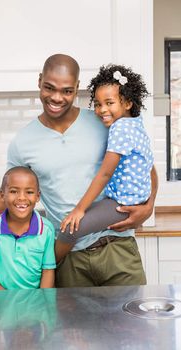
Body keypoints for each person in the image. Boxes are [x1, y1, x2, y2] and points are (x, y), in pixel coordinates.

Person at [0, 53, 158, 287]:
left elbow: (146, 168)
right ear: (40, 81)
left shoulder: (105, 122)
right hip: (68, 260)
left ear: (77, 88)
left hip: (118, 249)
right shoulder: (23, 142)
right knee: (71, 326)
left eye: (67, 90)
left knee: (131, 323)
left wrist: (148, 206)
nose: (56, 97)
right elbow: (7, 191)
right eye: (49, 87)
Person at [56, 64, 153, 261]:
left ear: (127, 103)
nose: (102, 110)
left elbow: (105, 174)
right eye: (98, 104)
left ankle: (46, 269)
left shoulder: (120, 128)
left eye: (109, 103)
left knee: (70, 229)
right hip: (136, 199)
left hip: (122, 203)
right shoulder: (136, 122)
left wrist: (79, 210)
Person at [0, 166, 56, 290]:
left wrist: (42, 301)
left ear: (38, 196)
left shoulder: (46, 230)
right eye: (13, 191)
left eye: (29, 192)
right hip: (2, 303)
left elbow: (48, 271)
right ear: (2, 195)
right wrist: (6, 299)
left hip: (35, 305)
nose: (21, 198)